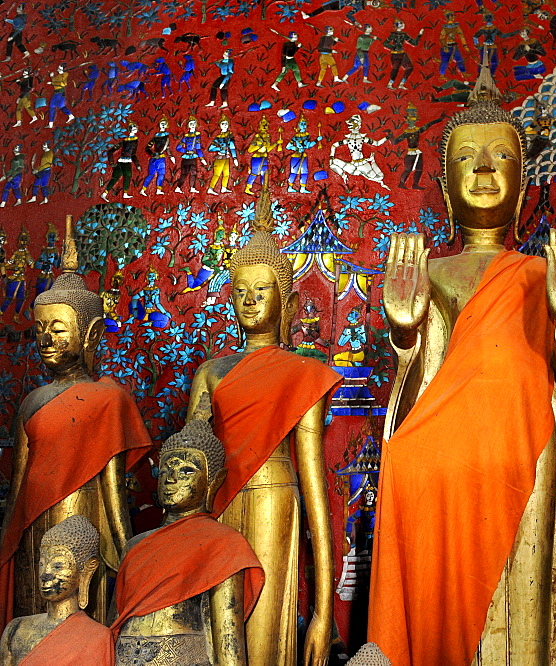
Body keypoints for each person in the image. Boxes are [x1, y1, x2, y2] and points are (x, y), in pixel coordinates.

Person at [369, 66, 556, 666]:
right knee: (403, 463)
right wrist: (404, 327)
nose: (482, 169)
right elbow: (424, 369)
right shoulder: (433, 270)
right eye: (468, 158)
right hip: (446, 437)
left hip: (525, 435)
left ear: (522, 186)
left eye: (501, 156)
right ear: (446, 187)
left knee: (529, 590)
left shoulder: (538, 270)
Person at [186, 189, 343, 665]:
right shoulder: (211, 372)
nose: (250, 301)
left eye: (262, 289)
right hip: (214, 506)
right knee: (217, 626)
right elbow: (189, 462)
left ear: (290, 302)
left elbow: (315, 489)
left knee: (262, 629)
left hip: (276, 499)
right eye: (240, 291)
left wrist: (323, 613)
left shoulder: (303, 373)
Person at [0, 242, 151, 627]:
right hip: (34, 525)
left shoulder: (108, 398)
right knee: (33, 616)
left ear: (91, 335)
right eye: (40, 330)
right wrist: (6, 543)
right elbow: (18, 488)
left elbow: (113, 486)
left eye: (58, 328)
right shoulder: (32, 401)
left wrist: (124, 546)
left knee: (81, 618)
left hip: (86, 519)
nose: (46, 339)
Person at [111, 420, 265, 665]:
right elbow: (115, 626)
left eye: (186, 471)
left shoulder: (223, 543)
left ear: (213, 482)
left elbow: (228, 641)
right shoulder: (135, 545)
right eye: (166, 470)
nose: (172, 479)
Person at [0, 517, 114, 665]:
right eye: (42, 564)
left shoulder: (97, 636)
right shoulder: (16, 629)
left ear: (85, 570)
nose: (45, 574)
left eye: (58, 566)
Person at [140, 116, 175, 196]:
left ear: (166, 125)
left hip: (161, 158)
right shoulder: (155, 136)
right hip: (155, 158)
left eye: (164, 124)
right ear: (159, 125)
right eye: (161, 123)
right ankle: (143, 189)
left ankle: (158, 189)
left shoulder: (167, 136)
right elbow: (147, 148)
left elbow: (167, 148)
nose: (163, 125)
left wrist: (171, 156)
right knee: (151, 174)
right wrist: (152, 154)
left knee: (161, 174)